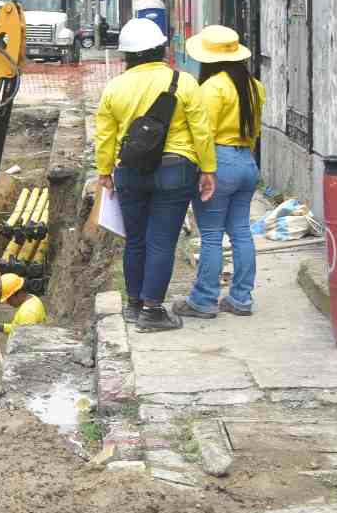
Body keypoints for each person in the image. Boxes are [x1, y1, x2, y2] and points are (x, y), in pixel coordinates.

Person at [94, 17, 217, 331]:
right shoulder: (184, 81)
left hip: (129, 171)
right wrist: (208, 169)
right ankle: (152, 312)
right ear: (162, 48)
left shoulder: (114, 88)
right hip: (175, 169)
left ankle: (134, 305)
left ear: (126, 55)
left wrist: (104, 171)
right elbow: (201, 131)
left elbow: (105, 136)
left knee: (135, 240)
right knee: (161, 242)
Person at [182, 25, 265, 317]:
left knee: (213, 235)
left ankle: (204, 300)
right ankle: (241, 298)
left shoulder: (212, 88)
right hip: (247, 162)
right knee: (241, 231)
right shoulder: (254, 86)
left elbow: (204, 134)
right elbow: (253, 132)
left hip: (219, 162)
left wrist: (205, 170)